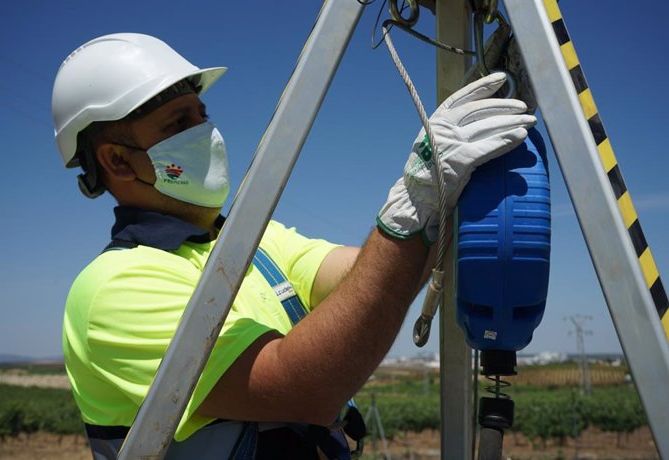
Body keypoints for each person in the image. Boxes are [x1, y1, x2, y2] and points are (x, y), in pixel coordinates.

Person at [52, 33, 535, 459]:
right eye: (179, 123)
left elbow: (371, 275)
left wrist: (456, 180)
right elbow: (303, 387)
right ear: (116, 160)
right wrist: (416, 199)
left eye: (203, 115)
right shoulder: (115, 289)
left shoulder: (252, 243)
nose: (207, 134)